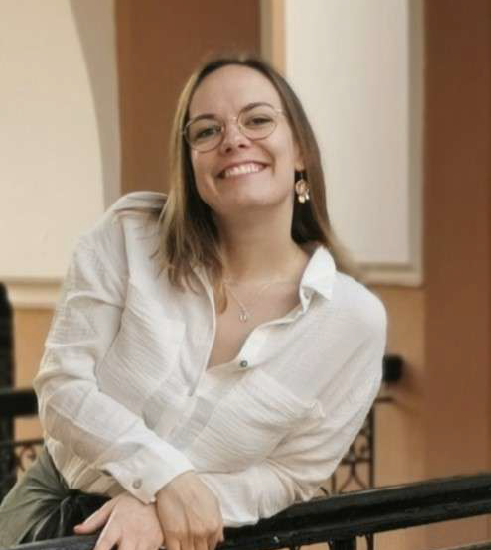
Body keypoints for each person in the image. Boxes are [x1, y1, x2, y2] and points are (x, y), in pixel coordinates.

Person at [0, 53, 386, 550]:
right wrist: (164, 479)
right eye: (207, 130)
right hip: (52, 526)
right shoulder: (129, 238)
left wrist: (166, 508)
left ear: (301, 152)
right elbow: (62, 387)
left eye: (258, 120)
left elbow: (289, 474)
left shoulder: (353, 322)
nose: (233, 139)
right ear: (191, 165)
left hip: (195, 537)